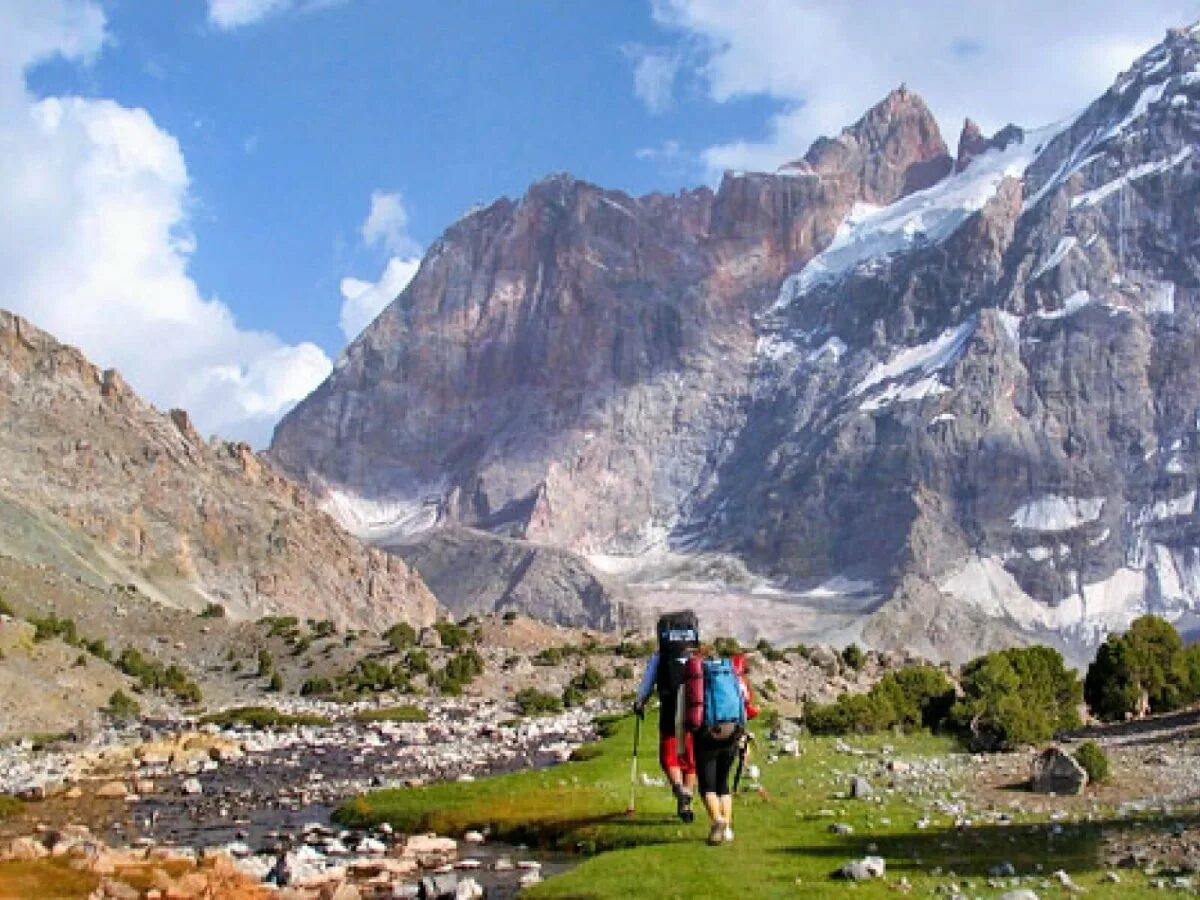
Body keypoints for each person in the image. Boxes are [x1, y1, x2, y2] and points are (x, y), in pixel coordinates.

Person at [633, 610, 700, 822]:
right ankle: (687, 800)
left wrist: (640, 702)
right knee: (691, 759)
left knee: (668, 754)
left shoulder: (660, 656)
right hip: (693, 712)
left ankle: (678, 788)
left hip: (669, 709)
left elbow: (647, 682)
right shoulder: (697, 655)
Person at [689, 648, 756, 845]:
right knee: (723, 783)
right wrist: (744, 737)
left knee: (707, 786)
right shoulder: (732, 674)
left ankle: (717, 821)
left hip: (707, 734)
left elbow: (685, 713)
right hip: (733, 732)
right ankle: (727, 829)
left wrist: (683, 745)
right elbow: (745, 703)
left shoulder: (696, 677)